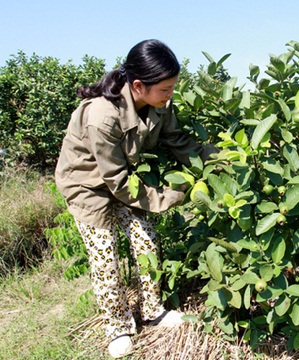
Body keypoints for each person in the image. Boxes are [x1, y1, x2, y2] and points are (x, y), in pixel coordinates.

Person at [55, 39, 218, 358]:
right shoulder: (102, 115)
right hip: (86, 185)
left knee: (146, 240)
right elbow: (114, 181)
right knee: (105, 257)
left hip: (122, 179)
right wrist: (170, 198)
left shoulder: (159, 105)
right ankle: (117, 326)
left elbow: (178, 142)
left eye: (172, 87)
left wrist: (218, 160)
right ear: (139, 85)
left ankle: (152, 311)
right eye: (165, 89)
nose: (170, 94)